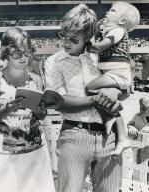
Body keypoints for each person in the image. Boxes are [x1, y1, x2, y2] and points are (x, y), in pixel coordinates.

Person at [44, 4, 126, 192]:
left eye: (73, 39)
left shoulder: (104, 57)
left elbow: (126, 87)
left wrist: (115, 92)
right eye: (62, 36)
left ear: (88, 38)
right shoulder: (54, 62)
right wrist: (94, 100)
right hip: (74, 136)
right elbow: (60, 102)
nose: (65, 43)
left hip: (110, 136)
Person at [0, 27, 55, 192]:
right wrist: (5, 110)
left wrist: (41, 111)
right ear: (6, 54)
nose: (23, 58)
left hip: (35, 151)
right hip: (3, 154)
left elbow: (40, 116)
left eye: (27, 52)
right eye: (17, 53)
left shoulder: (36, 79)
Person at [86, 1, 140, 155]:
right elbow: (99, 34)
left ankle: (110, 114)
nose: (107, 13)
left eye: (112, 10)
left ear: (122, 21)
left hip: (117, 74)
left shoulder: (118, 30)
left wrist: (86, 40)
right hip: (113, 74)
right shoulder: (110, 29)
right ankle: (121, 135)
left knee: (89, 88)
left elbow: (99, 47)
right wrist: (97, 28)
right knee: (106, 98)